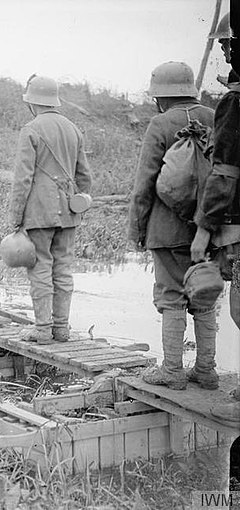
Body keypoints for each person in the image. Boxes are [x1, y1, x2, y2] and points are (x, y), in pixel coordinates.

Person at [129, 62, 215, 391]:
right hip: (209, 229)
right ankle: (206, 370)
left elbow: (144, 184)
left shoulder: (160, 123)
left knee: (171, 296)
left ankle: (173, 370)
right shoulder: (212, 116)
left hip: (166, 229)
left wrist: (137, 230)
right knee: (205, 294)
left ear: (160, 97)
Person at [9, 75, 92, 345]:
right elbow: (85, 177)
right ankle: (61, 330)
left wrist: (15, 216)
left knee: (40, 268)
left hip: (39, 212)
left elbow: (23, 179)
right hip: (68, 212)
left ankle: (42, 330)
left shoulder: (31, 129)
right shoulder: (73, 129)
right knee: (64, 269)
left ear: (32, 101)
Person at [190, 13, 240, 420]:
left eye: (228, 45)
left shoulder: (236, 103)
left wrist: (205, 229)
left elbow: (224, 175)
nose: (224, 52)